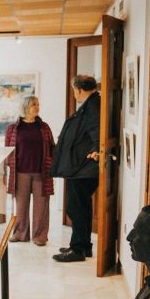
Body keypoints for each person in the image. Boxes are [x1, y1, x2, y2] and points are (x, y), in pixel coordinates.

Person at [50, 75, 100, 262]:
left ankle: (77, 249)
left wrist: (96, 149)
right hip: (81, 167)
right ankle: (84, 246)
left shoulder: (93, 106)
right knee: (82, 207)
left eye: (73, 90)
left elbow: (97, 131)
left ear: (78, 89)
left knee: (76, 208)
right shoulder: (91, 104)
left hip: (83, 168)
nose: (74, 94)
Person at [4, 95, 55, 246]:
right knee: (21, 207)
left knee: (41, 207)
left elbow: (52, 148)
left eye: (38, 104)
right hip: (20, 173)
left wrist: (53, 165)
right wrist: (4, 172)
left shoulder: (44, 127)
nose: (37, 107)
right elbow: (6, 151)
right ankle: (20, 234)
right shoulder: (13, 129)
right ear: (25, 107)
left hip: (41, 173)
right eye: (34, 105)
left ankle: (40, 236)